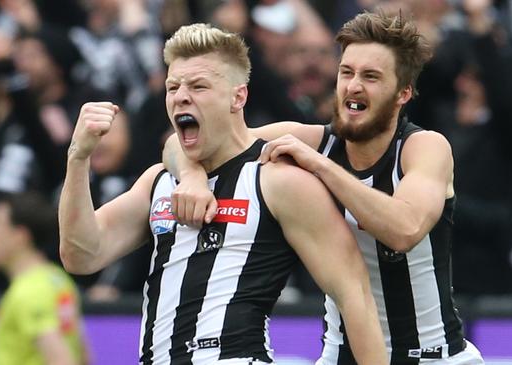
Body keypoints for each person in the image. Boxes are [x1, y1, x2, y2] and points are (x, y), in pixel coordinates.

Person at [164, 10, 484, 365]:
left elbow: (404, 229)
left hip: (433, 356)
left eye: (371, 76)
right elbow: (191, 140)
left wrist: (320, 166)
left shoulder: (423, 148)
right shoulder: (313, 141)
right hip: (341, 355)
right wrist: (192, 176)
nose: (354, 85)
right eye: (346, 72)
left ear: (402, 93)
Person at [58, 23, 386, 365]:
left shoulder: (277, 179)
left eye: (199, 86)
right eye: (173, 87)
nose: (181, 96)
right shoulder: (159, 180)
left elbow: (355, 294)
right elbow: (81, 255)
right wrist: (78, 158)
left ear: (238, 96)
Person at [0, 192, 87, 365]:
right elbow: (83, 355)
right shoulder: (58, 278)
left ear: (20, 236)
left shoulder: (29, 292)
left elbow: (62, 360)